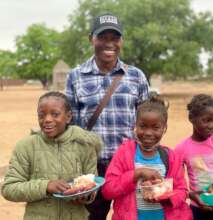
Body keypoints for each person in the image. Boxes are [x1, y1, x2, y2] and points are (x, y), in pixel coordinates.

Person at [65, 13, 149, 219]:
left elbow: (148, 125)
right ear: (91, 38)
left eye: (115, 38)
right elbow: (69, 129)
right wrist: (74, 171)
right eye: (103, 37)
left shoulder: (136, 76)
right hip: (91, 168)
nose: (109, 43)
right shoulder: (76, 76)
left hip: (129, 167)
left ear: (122, 41)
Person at [1, 91, 103, 220]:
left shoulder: (85, 144)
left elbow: (92, 182)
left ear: (68, 117)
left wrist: (86, 196)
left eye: (55, 114)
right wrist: (46, 186)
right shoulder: (26, 146)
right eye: (41, 115)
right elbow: (9, 189)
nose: (47, 120)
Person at [102, 96, 192, 220]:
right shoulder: (124, 152)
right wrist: (137, 173)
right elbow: (108, 190)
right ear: (135, 126)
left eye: (155, 128)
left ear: (164, 128)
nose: (148, 133)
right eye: (143, 126)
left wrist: (164, 196)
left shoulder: (171, 157)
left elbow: (182, 190)